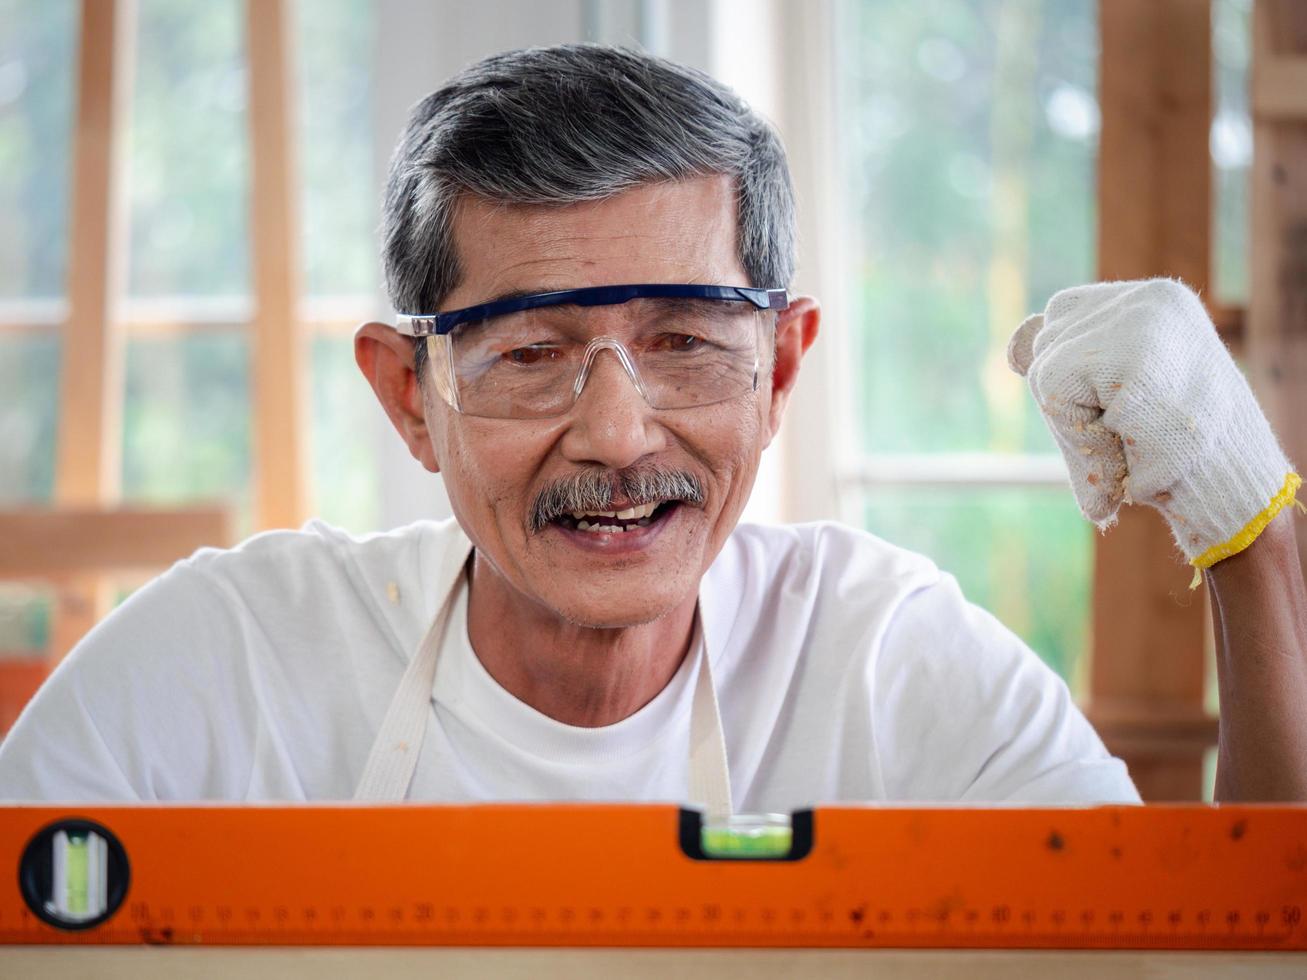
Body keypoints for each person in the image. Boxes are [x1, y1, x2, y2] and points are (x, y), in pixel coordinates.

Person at [1, 45, 1303, 807]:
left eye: (685, 342)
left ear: (781, 368)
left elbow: (1216, 951)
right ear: (411, 396)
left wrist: (1254, 537)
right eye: (531, 352)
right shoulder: (228, 670)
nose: (619, 437)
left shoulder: (883, 669)